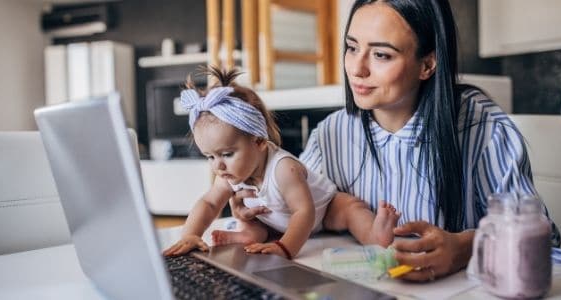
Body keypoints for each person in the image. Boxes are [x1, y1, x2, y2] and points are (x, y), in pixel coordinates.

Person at [230, 0, 561, 281]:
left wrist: (466, 248)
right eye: (351, 47)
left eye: (381, 55)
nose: (357, 68)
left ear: (427, 64)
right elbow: (302, 219)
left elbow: (545, 242)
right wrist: (262, 215)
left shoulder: (483, 127)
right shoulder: (332, 135)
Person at [162, 67, 401, 259]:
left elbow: (304, 212)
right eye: (210, 157)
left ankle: (375, 232)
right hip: (278, 222)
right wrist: (191, 234)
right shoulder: (228, 174)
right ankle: (248, 236)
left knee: (351, 209)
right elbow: (208, 203)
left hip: (324, 210)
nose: (218, 166)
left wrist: (286, 247)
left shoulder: (284, 169)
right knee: (253, 222)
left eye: (226, 154)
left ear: (258, 141)